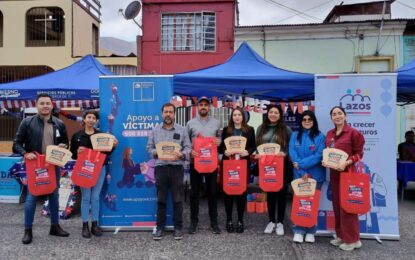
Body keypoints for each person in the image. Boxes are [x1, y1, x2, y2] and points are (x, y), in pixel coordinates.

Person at [13, 93, 70, 245]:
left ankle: (55, 226)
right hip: (35, 165)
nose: (45, 106)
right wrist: (26, 153)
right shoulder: (27, 122)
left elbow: (65, 143)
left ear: (52, 106)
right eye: (42, 103)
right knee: (32, 196)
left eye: (48, 103)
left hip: (53, 165)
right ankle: (28, 230)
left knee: (54, 195)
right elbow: (16, 144)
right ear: (37, 105)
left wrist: (63, 147)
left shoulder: (59, 123)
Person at [70, 110, 118, 238]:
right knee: (86, 197)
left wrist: (113, 146)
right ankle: (85, 225)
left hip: (99, 168)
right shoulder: (77, 136)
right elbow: (73, 155)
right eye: (89, 117)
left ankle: (95, 225)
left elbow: (107, 153)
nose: (91, 120)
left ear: (96, 121)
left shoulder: (101, 135)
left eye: (93, 118)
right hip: (84, 169)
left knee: (95, 197)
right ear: (84, 119)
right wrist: (77, 152)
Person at [146, 103, 191, 240]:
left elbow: (188, 147)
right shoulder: (155, 130)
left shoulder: (182, 130)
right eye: (166, 112)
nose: (168, 114)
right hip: (160, 168)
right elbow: (149, 148)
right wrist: (157, 153)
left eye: (171, 112)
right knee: (161, 199)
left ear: (174, 114)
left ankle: (178, 228)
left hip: (177, 168)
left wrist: (182, 154)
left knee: (177, 199)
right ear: (162, 114)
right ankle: (160, 228)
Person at [323, 106, 365, 251]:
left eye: (339, 113)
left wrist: (347, 162)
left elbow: (359, 154)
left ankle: (352, 240)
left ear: (345, 116)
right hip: (334, 175)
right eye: (334, 114)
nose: (337, 116)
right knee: (337, 205)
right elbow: (328, 152)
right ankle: (341, 235)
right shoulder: (330, 134)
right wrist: (325, 161)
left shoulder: (354, 133)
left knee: (348, 207)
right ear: (331, 118)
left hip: (349, 174)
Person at [288, 110, 325, 243]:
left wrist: (301, 164)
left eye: (310, 119)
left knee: (312, 203)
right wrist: (301, 170)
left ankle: (311, 230)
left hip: (316, 175)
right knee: (300, 203)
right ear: (301, 121)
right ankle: (298, 229)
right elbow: (292, 152)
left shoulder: (321, 136)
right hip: (299, 175)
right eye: (304, 119)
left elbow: (319, 155)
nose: (307, 121)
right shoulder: (294, 135)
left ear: (314, 121)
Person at [186, 97, 221, 234]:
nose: (203, 107)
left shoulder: (216, 123)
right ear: (197, 107)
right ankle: (193, 222)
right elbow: (186, 142)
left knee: (212, 193)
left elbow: (220, 139)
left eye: (206, 105)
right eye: (201, 104)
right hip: (196, 163)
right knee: (194, 194)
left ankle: (214, 222)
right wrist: (190, 151)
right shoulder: (190, 123)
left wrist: (219, 142)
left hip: (211, 164)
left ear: (209, 107)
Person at [255, 104, 291, 236]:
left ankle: (280, 222)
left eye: (276, 112)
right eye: (271, 112)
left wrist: (284, 154)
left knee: (281, 194)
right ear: (267, 114)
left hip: (281, 166)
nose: (273, 114)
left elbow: (290, 147)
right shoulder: (261, 128)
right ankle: (271, 221)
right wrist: (257, 154)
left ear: (280, 115)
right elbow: (257, 146)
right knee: (269, 193)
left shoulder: (286, 129)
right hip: (266, 166)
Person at [219, 107, 255, 233]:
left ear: (243, 117)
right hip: (229, 164)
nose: (237, 117)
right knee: (228, 192)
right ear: (232, 117)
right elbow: (221, 147)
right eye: (235, 115)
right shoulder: (226, 130)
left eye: (239, 115)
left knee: (241, 193)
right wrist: (225, 151)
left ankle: (240, 220)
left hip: (243, 164)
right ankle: (229, 220)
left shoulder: (250, 130)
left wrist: (248, 152)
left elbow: (253, 145)